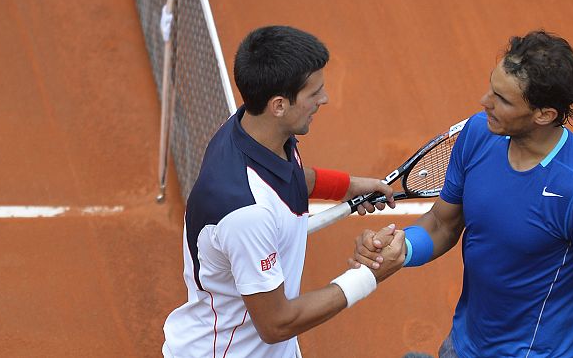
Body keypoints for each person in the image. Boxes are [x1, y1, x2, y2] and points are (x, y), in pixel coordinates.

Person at [352, 30, 573, 357]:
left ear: (544, 114)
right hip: (463, 346)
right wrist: (402, 247)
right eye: (492, 87)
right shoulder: (479, 133)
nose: (484, 101)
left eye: (503, 100)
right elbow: (443, 223)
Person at [163, 25, 405, 358]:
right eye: (314, 93)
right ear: (279, 105)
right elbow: (276, 323)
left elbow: (289, 176)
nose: (325, 99)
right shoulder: (246, 213)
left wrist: (348, 186)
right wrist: (370, 276)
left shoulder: (251, 131)